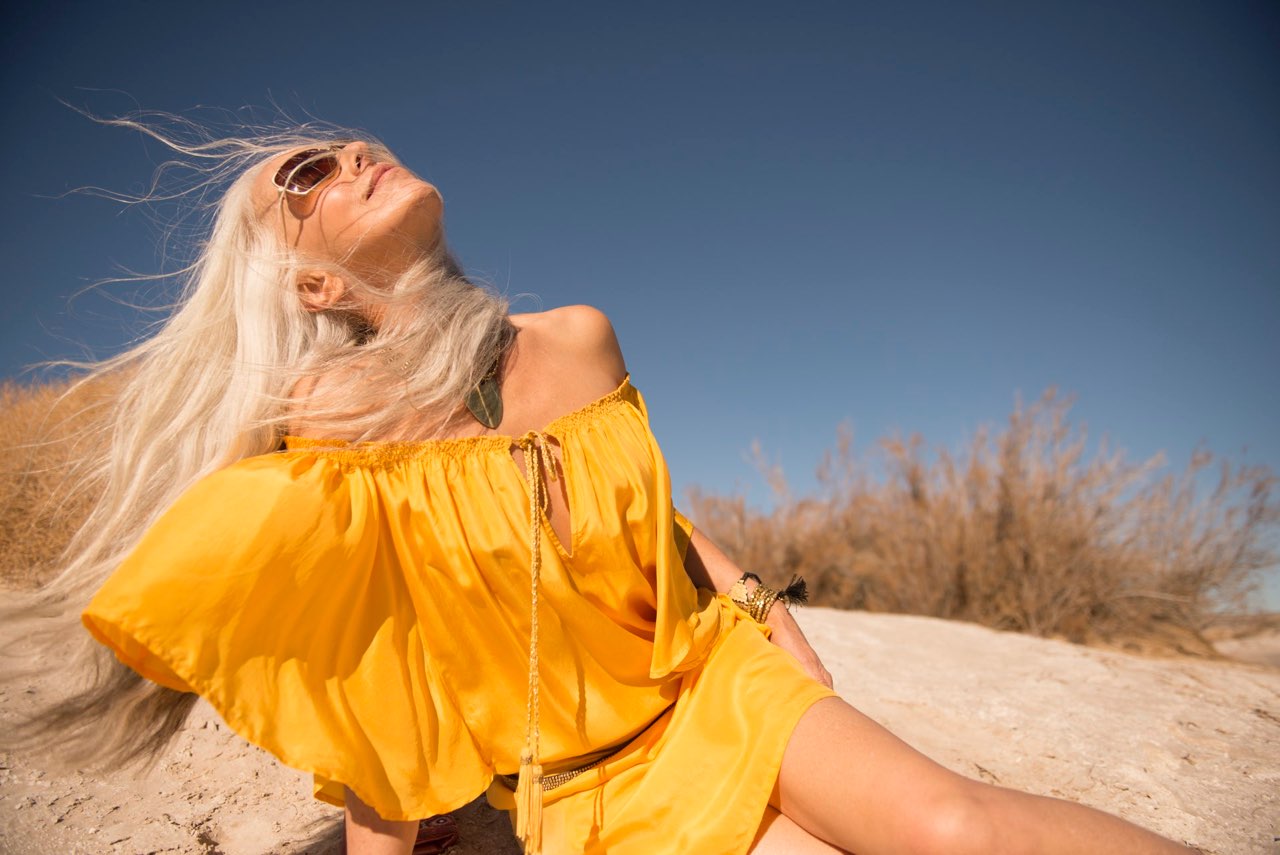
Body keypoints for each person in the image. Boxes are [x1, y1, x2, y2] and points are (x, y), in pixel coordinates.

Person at [8, 123, 1195, 855]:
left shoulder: (576, 337)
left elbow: (640, 503)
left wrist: (758, 606)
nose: (353, 157)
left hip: (702, 679)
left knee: (948, 828)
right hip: (585, 782)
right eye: (308, 175)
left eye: (353, 144)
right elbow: (375, 656)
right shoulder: (326, 427)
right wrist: (391, 837)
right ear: (311, 286)